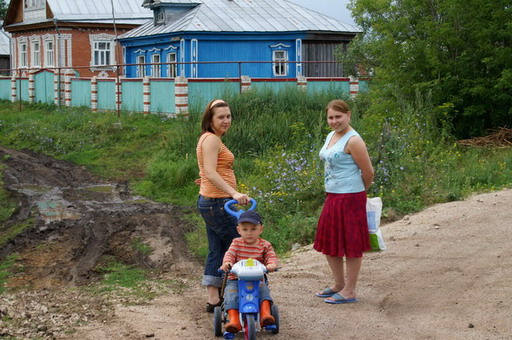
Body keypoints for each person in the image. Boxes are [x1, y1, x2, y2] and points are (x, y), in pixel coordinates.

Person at [314, 99, 374, 304]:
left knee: (351, 244)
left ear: (348, 115)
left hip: (350, 198)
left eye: (338, 117)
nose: (334, 121)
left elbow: (368, 172)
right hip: (333, 195)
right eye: (330, 117)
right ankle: (338, 284)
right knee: (330, 241)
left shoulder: (354, 140)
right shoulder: (331, 135)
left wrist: (358, 194)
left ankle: (350, 290)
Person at [196, 99, 250, 313]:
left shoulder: (210, 139)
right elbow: (210, 171)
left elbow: (207, 170)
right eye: (221, 117)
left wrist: (206, 180)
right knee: (241, 244)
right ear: (210, 119)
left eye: (228, 116)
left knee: (216, 248)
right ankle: (240, 293)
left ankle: (214, 298)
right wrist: (234, 193)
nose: (226, 120)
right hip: (218, 203)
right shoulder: (211, 140)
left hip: (213, 201)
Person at [220, 210, 279, 333]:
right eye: (245, 230)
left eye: (253, 229)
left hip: (257, 279)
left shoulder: (265, 245)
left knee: (263, 291)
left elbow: (270, 256)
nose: (249, 233)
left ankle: (265, 315)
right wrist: (227, 263)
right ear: (239, 230)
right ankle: (234, 320)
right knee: (231, 294)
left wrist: (271, 264)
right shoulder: (236, 243)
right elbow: (229, 254)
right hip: (235, 279)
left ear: (260, 229)